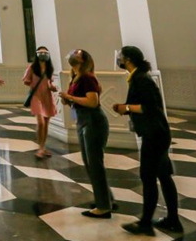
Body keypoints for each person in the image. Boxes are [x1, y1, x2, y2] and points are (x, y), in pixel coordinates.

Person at [113, 46, 183, 236]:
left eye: (120, 57)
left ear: (127, 59)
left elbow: (149, 107)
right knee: (163, 176)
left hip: (154, 135)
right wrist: (127, 109)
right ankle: (173, 220)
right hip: (158, 133)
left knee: (148, 177)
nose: (118, 60)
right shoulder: (139, 77)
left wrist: (125, 107)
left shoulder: (141, 79)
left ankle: (145, 223)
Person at [59, 49, 115, 219]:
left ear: (83, 60)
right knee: (89, 162)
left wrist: (71, 97)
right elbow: (77, 101)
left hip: (93, 122)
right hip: (83, 120)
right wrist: (67, 99)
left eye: (77, 53)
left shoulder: (87, 77)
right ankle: (106, 199)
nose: (72, 54)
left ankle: (104, 207)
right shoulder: (75, 77)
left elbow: (92, 102)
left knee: (94, 163)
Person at [22, 46, 59, 158]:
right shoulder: (32, 68)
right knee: (41, 122)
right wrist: (33, 85)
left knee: (46, 124)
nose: (43, 55)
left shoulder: (49, 68)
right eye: (40, 52)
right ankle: (40, 148)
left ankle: (43, 147)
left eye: (45, 52)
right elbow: (26, 81)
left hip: (47, 96)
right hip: (36, 96)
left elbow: (49, 83)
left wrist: (52, 87)